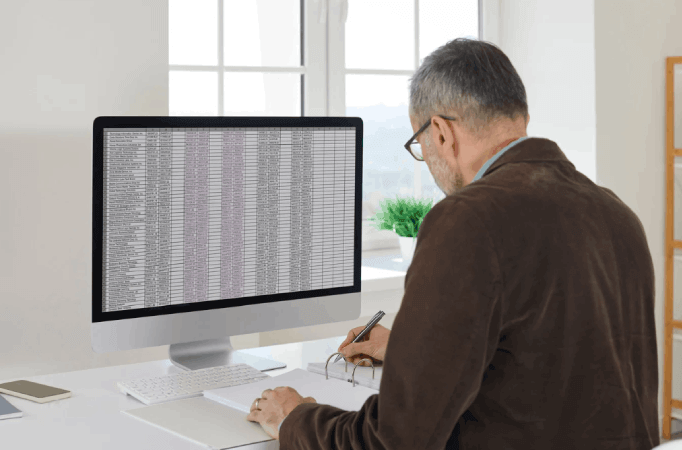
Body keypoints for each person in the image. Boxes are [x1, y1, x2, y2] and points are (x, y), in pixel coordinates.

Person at [246, 38, 660, 449]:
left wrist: (294, 418)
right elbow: (558, 366)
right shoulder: (615, 213)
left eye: (419, 146)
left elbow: (394, 442)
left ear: (441, 132)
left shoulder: (468, 218)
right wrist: (417, 355)